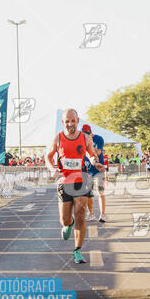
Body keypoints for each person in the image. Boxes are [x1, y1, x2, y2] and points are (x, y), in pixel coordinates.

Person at [46, 109, 104, 264]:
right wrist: (53, 169)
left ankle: (77, 250)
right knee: (64, 220)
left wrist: (94, 162)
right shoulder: (58, 138)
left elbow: (91, 154)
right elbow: (48, 156)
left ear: (77, 120)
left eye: (73, 120)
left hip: (81, 180)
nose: (70, 124)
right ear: (63, 122)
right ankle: (68, 224)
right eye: (67, 121)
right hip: (64, 181)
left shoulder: (85, 138)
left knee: (80, 214)